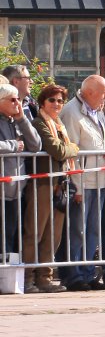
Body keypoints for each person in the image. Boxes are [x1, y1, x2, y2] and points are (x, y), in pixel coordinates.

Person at [60, 75, 105, 291]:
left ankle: (87, 272)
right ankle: (72, 274)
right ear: (90, 92)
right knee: (77, 231)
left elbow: (101, 142)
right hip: (82, 182)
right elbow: (71, 152)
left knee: (93, 231)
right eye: (104, 93)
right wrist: (76, 186)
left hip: (100, 181)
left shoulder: (98, 111)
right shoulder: (71, 112)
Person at [24, 84, 77, 292]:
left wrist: (68, 148)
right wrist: (74, 148)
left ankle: (44, 278)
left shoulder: (59, 124)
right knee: (34, 233)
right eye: (52, 100)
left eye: (60, 101)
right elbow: (57, 150)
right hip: (42, 184)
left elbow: (63, 150)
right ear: (43, 102)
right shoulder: (39, 123)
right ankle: (27, 278)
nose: (56, 104)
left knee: (53, 235)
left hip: (60, 183)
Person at [0, 83, 42, 260]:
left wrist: (22, 120)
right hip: (2, 190)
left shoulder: (17, 121)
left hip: (15, 191)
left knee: (11, 236)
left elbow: (36, 145)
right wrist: (13, 145)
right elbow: (14, 146)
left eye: (18, 99)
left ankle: (8, 272)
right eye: (12, 99)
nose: (17, 103)